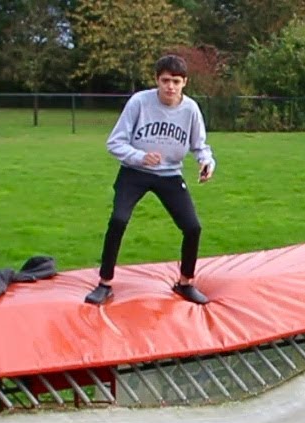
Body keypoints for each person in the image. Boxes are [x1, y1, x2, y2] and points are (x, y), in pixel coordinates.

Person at [84, 54, 216, 306]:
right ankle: (104, 283)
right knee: (118, 219)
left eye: (176, 81)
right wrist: (140, 157)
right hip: (135, 172)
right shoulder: (139, 102)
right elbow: (114, 143)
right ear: (156, 80)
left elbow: (200, 146)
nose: (170, 87)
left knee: (192, 227)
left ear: (185, 83)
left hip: (170, 174)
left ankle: (185, 282)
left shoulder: (190, 109)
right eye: (165, 80)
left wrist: (206, 162)